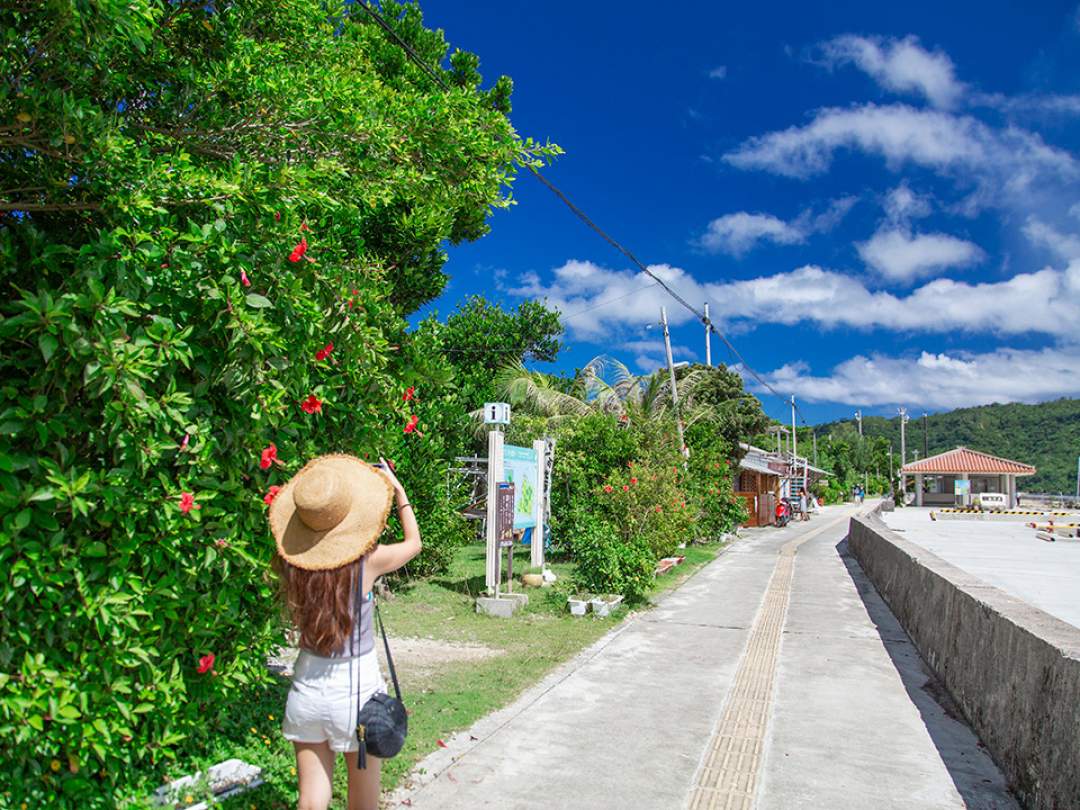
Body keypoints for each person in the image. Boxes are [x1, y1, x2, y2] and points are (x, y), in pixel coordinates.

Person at [269, 454, 421, 810]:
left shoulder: (291, 566)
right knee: (363, 803)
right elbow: (414, 544)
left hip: (306, 692)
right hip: (357, 694)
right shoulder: (366, 563)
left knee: (311, 802)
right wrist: (399, 492)